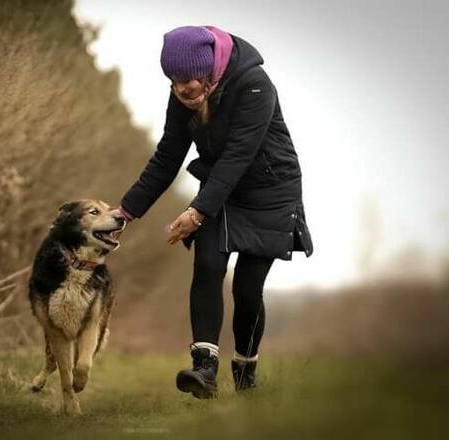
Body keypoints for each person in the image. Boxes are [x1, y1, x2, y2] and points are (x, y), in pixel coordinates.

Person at [111, 25, 314, 398]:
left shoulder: (254, 85)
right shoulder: (182, 94)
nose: (182, 90)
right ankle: (204, 370)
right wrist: (125, 211)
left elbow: (239, 155)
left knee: (247, 289)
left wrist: (197, 211)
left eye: (189, 81)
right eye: (174, 82)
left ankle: (245, 372)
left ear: (210, 71)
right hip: (221, 190)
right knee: (207, 265)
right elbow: (168, 156)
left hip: (270, 190)